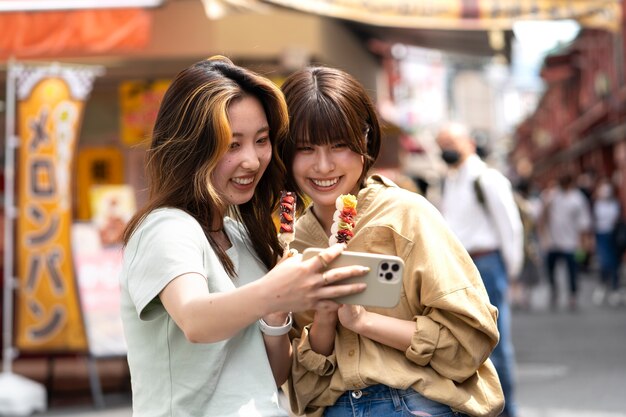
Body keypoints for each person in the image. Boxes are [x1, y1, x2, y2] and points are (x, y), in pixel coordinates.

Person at [119, 56, 370, 417]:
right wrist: (277, 290)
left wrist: (277, 312)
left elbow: (273, 374)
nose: (252, 161)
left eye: (262, 141)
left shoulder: (243, 235)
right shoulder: (166, 227)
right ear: (191, 147)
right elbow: (195, 320)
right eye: (232, 145)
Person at [277, 66, 504, 417]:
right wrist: (323, 322)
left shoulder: (405, 215)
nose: (322, 166)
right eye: (305, 148)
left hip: (412, 402)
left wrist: (363, 322)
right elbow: (301, 381)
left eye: (339, 145)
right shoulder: (294, 242)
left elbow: (471, 338)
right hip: (336, 408)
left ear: (365, 141)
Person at [436, 122, 523, 417]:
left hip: (488, 264)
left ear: (469, 143)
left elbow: (510, 226)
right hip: (460, 266)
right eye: (441, 144)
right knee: (464, 342)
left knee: (496, 343)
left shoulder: (487, 178)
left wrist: (511, 272)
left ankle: (507, 410)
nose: (445, 149)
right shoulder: (450, 179)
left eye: (450, 142)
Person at [540, 173, 592, 311]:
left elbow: (583, 222)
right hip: (553, 241)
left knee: (572, 271)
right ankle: (554, 291)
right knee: (550, 269)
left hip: (571, 242)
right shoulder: (553, 196)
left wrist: (584, 242)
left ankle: (572, 295)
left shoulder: (578, 199)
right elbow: (543, 216)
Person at [591, 178, 622, 306]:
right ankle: (603, 286)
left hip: (613, 236)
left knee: (614, 263)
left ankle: (614, 288)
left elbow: (616, 220)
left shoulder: (615, 204)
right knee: (604, 262)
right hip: (601, 235)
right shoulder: (596, 204)